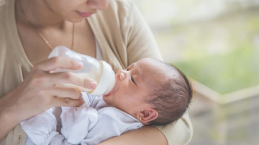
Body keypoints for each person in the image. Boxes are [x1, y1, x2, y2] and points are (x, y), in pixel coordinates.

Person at [0, 0, 193, 145]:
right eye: (127, 69)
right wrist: (11, 108)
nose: (101, 4)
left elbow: (179, 125)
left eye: (132, 79)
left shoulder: (119, 13)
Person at [21, 58, 193, 145]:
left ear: (145, 113)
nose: (120, 73)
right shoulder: (114, 101)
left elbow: (75, 135)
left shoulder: (115, 123)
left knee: (39, 123)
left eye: (132, 80)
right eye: (127, 69)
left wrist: (80, 108)